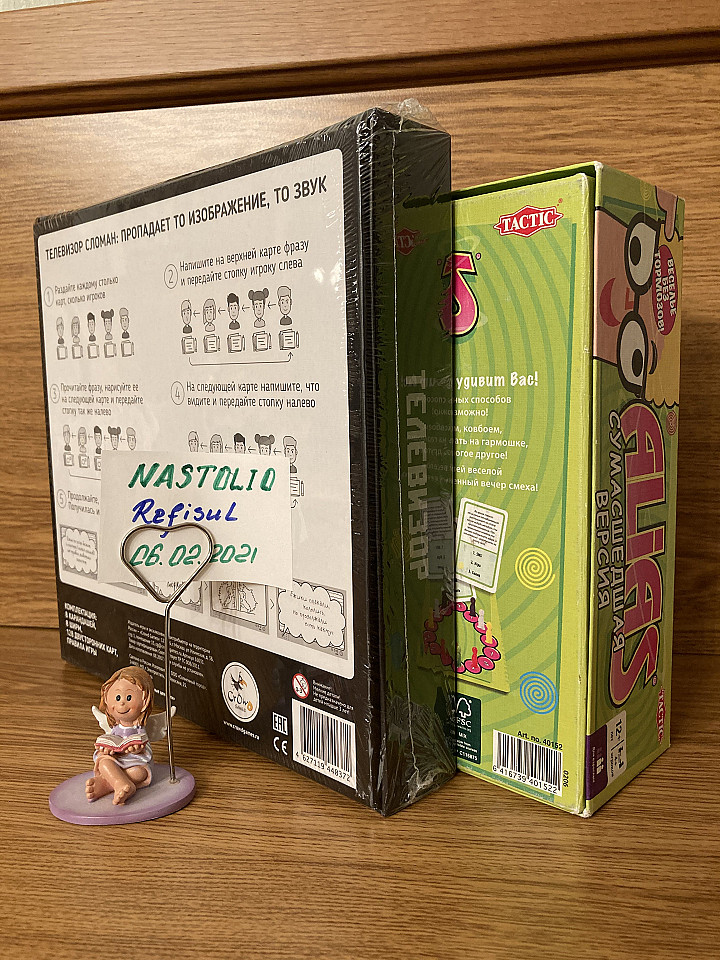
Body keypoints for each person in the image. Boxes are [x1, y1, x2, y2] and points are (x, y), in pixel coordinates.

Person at [85, 666, 155, 806]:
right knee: (104, 763)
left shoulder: (139, 729)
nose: (122, 702)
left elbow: (146, 751)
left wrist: (137, 749)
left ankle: (107, 784)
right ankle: (120, 783)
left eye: (129, 698)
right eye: (117, 697)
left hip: (134, 763)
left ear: (144, 702)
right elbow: (109, 744)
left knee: (139, 773)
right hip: (116, 760)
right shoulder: (115, 729)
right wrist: (107, 749)